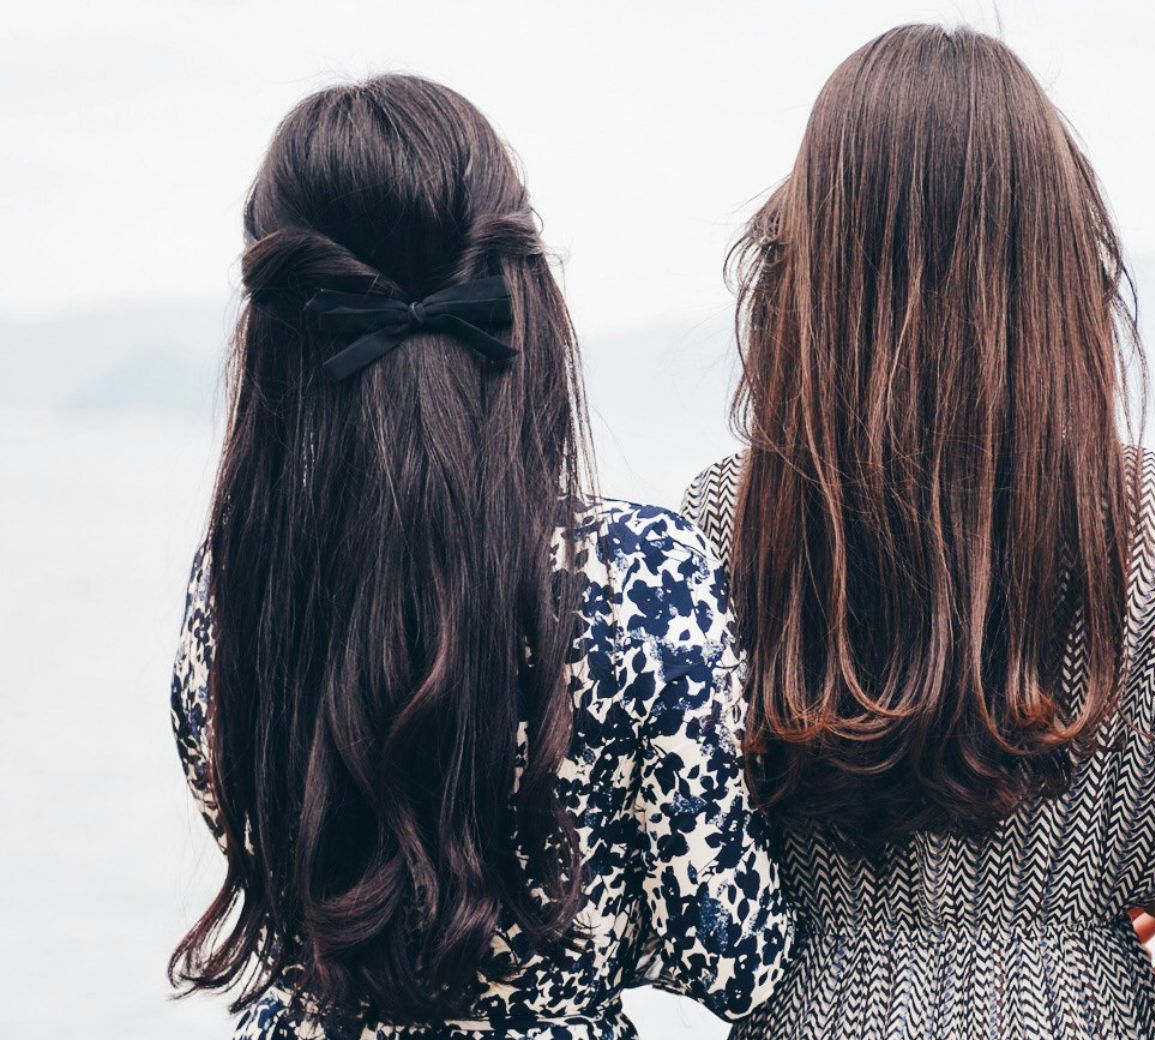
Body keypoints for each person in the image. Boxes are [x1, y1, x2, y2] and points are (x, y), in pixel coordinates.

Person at [679, 24, 1155, 1039]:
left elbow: (699, 887)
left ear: (813, 255)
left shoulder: (726, 519)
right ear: (1052, 261)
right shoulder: (1153, 516)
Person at [168, 74, 790, 1037]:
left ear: (276, 332)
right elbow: (734, 955)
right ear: (521, 300)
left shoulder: (236, 587)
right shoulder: (644, 577)